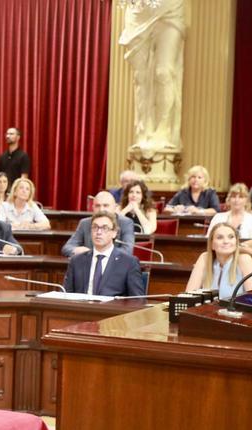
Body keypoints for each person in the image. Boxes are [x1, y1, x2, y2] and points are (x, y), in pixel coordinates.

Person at [118, 0, 185, 155]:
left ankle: (164, 131)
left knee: (164, 72)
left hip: (170, 9)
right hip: (139, 12)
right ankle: (143, 131)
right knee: (140, 77)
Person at [62, 212, 145, 297]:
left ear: (114, 233)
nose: (98, 232)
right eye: (95, 227)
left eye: (104, 228)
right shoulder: (76, 261)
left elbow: (137, 299)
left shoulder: (128, 263)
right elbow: (66, 295)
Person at [186, 223, 252, 300]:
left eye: (231, 237)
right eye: (220, 238)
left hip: (237, 311)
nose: (226, 241)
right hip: (207, 311)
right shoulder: (205, 258)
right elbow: (188, 296)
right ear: (212, 244)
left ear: (236, 241)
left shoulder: (244, 260)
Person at [61, 191, 135, 257]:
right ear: (92, 207)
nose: (101, 210)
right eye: (97, 206)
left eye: (106, 205)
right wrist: (76, 250)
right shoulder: (85, 223)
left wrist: (96, 253)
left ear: (115, 207)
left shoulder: (125, 223)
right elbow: (67, 247)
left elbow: (127, 250)